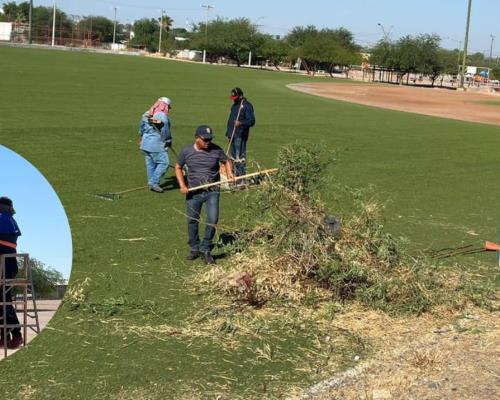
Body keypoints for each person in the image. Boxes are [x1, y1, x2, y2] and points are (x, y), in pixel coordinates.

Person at [175, 126, 234, 265]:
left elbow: (226, 161)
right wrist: (182, 186)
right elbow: (178, 167)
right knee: (192, 220)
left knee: (212, 219)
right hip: (194, 192)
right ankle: (195, 248)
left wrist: (230, 173)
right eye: (205, 139)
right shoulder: (186, 151)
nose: (208, 142)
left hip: (212, 191)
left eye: (209, 139)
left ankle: (206, 248)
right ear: (197, 138)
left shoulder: (216, 150)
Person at [0, 196, 23, 349]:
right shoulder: (9, 219)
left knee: (4, 301)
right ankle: (5, 336)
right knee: (2, 301)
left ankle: (15, 334)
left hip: (4, 265)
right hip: (7, 265)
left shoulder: (3, 218)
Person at [139, 97, 173, 193]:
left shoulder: (146, 114)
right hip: (155, 144)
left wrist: (141, 139)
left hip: (145, 143)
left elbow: (141, 127)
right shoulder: (161, 114)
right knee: (164, 163)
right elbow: (164, 125)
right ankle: (154, 182)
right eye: (168, 107)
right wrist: (168, 140)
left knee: (150, 164)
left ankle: (151, 183)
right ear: (165, 106)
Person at [225, 87, 256, 177]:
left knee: (239, 158)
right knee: (233, 157)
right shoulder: (234, 105)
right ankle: (234, 175)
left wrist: (241, 123)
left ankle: (241, 178)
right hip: (232, 135)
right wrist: (228, 134)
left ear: (241, 96)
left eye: (235, 98)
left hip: (240, 135)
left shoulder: (247, 106)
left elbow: (252, 121)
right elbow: (230, 121)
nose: (233, 100)